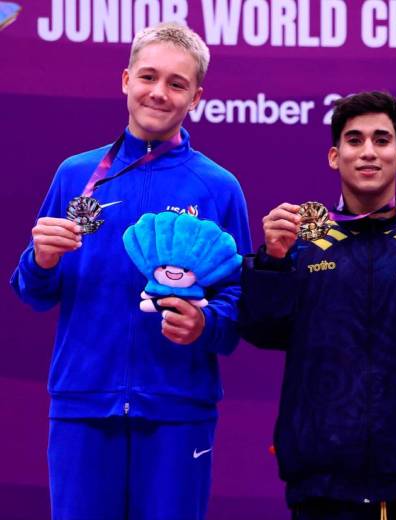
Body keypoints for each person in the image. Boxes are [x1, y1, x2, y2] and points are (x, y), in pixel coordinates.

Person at [10, 23, 251, 520]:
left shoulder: (219, 188)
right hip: (82, 404)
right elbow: (33, 290)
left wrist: (205, 324)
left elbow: (238, 309)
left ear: (197, 96)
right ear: (125, 80)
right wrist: (43, 258)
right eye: (148, 77)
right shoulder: (75, 176)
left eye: (177, 83)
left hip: (177, 410)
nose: (159, 93)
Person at [239, 91, 396, 519]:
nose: (368, 152)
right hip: (320, 481)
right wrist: (271, 263)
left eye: (382, 139)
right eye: (354, 141)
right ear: (335, 157)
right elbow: (262, 330)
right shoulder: (300, 243)